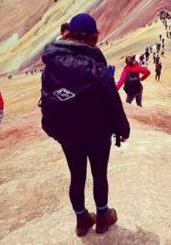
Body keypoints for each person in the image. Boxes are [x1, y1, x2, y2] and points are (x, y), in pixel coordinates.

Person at [40, 13, 130, 237]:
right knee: (100, 174)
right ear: (92, 37)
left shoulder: (51, 64)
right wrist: (123, 130)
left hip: (67, 133)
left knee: (76, 175)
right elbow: (112, 102)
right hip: (97, 133)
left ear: (69, 33)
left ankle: (81, 221)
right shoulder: (96, 66)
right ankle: (102, 218)